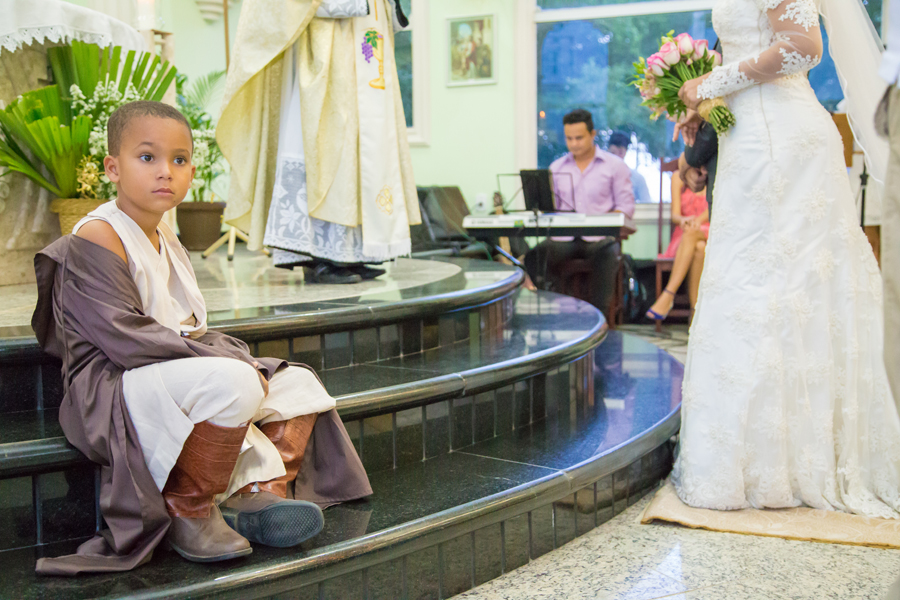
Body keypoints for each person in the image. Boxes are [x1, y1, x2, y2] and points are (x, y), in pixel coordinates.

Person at [31, 101, 372, 575]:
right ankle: (188, 510)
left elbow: (186, 326)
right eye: (146, 157)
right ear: (113, 167)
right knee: (238, 382)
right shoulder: (99, 235)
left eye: (179, 159)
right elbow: (125, 338)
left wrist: (230, 356)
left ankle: (257, 498)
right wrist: (230, 362)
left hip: (163, 369)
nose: (165, 172)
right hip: (112, 385)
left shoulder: (167, 236)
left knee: (298, 383)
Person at [670, 0, 900, 518]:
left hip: (783, 142)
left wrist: (709, 84)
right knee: (757, 287)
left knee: (781, 287)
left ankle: (797, 460)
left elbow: (803, 48)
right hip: (751, 136)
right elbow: (754, 48)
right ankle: (766, 457)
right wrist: (705, 104)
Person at [217, 0, 420, 284]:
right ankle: (320, 257)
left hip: (364, 57)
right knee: (325, 154)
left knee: (361, 158)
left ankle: (352, 253)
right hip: (325, 58)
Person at [523, 109, 635, 321]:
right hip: (564, 240)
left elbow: (626, 207)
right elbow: (549, 209)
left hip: (599, 240)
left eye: (579, 138)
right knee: (534, 257)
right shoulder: (556, 168)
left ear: (593, 134)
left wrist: (604, 220)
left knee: (609, 252)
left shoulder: (615, 167)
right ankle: (553, 312)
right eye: (569, 138)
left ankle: (599, 319)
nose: (574, 143)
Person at [645, 156, 709, 321]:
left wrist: (697, 221)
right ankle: (696, 314)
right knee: (699, 248)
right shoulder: (678, 176)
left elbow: (714, 207)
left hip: (709, 229)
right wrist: (684, 220)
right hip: (685, 233)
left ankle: (668, 294)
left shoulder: (715, 173)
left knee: (696, 237)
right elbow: (675, 214)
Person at [607, 131, 652, 204]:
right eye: (613, 153)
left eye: (620, 153)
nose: (616, 157)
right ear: (608, 151)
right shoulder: (600, 176)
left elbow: (647, 204)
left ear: (626, 152)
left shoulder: (637, 178)